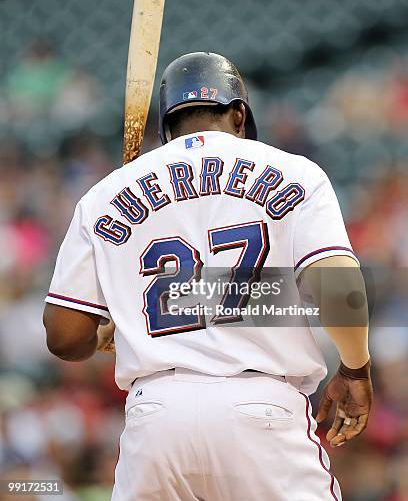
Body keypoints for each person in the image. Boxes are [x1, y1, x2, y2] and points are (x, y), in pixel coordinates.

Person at [43, 52, 372, 500]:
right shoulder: (296, 172)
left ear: (166, 126)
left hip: (156, 418)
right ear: (238, 113)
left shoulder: (105, 194)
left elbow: (64, 337)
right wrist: (356, 369)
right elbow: (336, 286)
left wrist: (106, 330)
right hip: (261, 409)